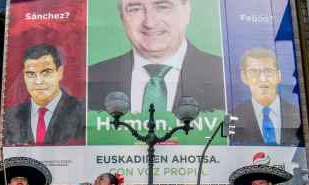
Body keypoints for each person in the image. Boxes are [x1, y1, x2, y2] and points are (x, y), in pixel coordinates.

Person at [88, 0, 224, 113]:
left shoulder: (223, 74)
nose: (150, 23)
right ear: (122, 17)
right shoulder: (91, 79)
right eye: (135, 9)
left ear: (186, 10)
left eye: (162, 7)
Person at [4, 44, 85, 146]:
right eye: (31, 74)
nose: (38, 81)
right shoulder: (10, 117)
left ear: (60, 72)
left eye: (46, 72)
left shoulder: (83, 113)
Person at [231, 48, 303, 147]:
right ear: (244, 77)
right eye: (254, 72)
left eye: (268, 71)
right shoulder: (232, 117)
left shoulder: (298, 115)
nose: (263, 79)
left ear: (278, 75)